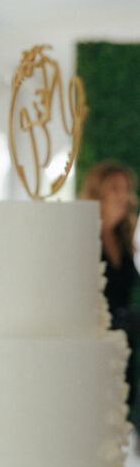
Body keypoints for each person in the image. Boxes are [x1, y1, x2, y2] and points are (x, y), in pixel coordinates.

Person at [80, 159, 140, 422]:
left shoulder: (123, 238)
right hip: (94, 348)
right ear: (98, 192)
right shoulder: (82, 237)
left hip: (124, 347)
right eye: (115, 188)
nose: (124, 195)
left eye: (126, 188)